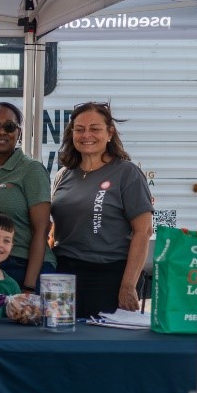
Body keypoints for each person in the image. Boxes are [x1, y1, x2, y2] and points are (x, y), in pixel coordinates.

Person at [50, 102, 154, 318]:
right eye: (79, 129)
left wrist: (128, 286)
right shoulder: (63, 175)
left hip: (108, 276)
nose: (86, 134)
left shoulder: (127, 174)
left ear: (110, 133)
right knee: (60, 343)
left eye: (95, 128)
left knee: (100, 345)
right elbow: (55, 230)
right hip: (63, 275)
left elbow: (143, 232)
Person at [0, 102, 54, 293]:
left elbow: (41, 231)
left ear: (19, 133)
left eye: (9, 126)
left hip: (23, 267)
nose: (1, 132)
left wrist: (29, 287)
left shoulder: (31, 169)